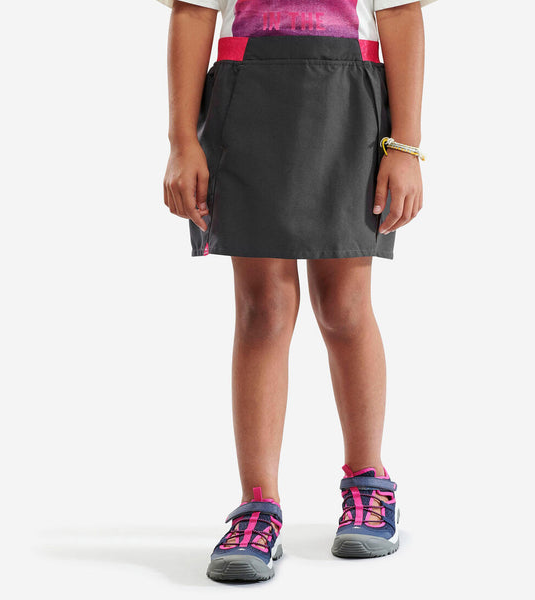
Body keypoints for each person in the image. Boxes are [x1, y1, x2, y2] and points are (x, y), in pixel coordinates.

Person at [155, 0, 437, 583]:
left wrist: (406, 147)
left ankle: (368, 482)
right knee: (263, 309)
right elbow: (192, 13)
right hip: (246, 102)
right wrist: (183, 141)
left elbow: (401, 15)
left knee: (345, 307)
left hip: (348, 103)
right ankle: (257, 506)